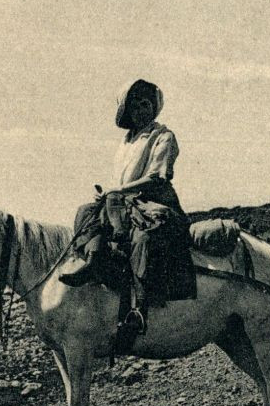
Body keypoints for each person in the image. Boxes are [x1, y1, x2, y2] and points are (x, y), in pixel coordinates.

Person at [58, 78, 193, 341]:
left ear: (153, 107)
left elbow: (157, 178)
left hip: (155, 205)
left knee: (142, 239)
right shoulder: (127, 141)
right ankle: (93, 261)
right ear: (128, 112)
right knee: (86, 211)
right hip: (123, 204)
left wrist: (118, 191)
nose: (141, 110)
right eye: (135, 106)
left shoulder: (163, 136)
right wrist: (111, 193)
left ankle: (139, 309)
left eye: (145, 104)